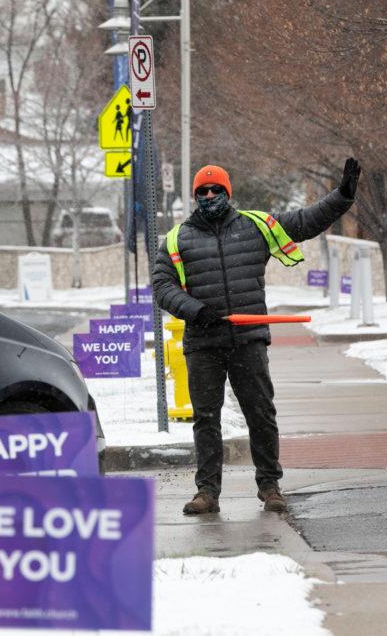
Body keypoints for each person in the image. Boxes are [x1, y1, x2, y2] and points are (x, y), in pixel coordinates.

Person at [152, 159, 360, 514]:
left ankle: (269, 485)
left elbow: (305, 221)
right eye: (202, 190)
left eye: (216, 189)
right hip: (203, 344)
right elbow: (162, 286)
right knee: (206, 418)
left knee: (260, 413)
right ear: (194, 196)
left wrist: (342, 196)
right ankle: (207, 492)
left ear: (228, 192)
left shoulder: (256, 226)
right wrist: (196, 310)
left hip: (248, 340)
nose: (209, 195)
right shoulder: (177, 238)